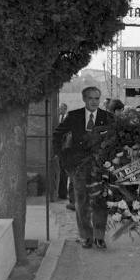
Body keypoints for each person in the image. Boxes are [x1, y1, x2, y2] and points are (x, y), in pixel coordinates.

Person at [53, 86, 112, 249]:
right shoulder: (74, 116)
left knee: (101, 199)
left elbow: (115, 139)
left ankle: (99, 237)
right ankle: (86, 236)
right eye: (90, 98)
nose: (94, 102)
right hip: (78, 165)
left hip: (100, 166)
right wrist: (63, 157)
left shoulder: (107, 117)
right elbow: (57, 135)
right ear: (84, 99)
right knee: (81, 199)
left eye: (96, 99)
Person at [56, 103, 69, 199]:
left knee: (64, 173)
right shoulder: (57, 119)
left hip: (65, 150)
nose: (59, 110)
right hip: (60, 149)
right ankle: (61, 192)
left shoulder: (67, 120)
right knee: (61, 172)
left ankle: (63, 193)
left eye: (61, 109)